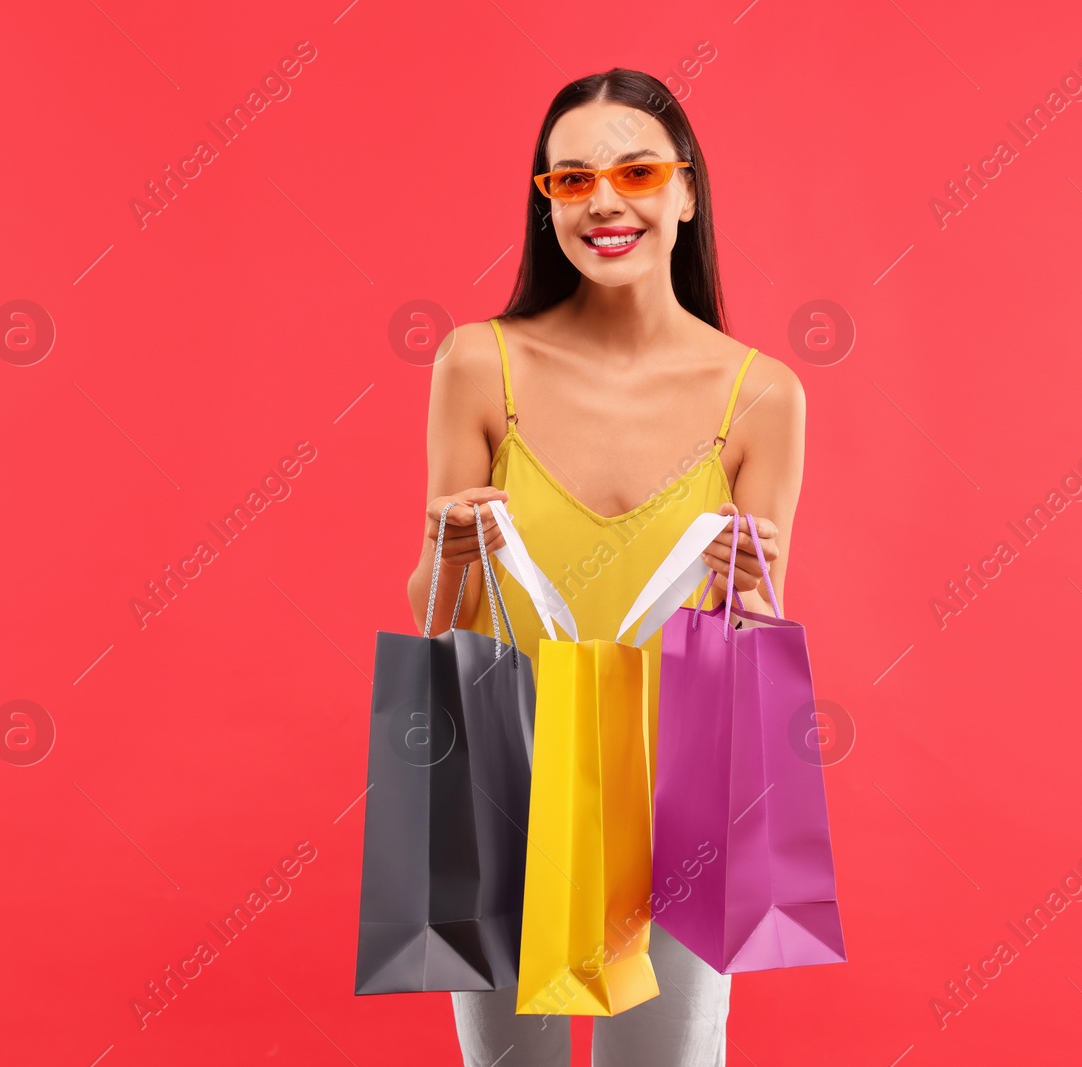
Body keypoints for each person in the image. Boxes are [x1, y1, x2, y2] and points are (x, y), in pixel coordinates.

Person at [407, 67, 805, 1067]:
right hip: (506, 763)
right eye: (571, 181)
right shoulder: (476, 362)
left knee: (669, 1058)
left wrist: (748, 593)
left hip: (680, 777)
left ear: (685, 191)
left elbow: (756, 624)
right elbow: (431, 608)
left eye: (635, 171)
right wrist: (450, 554)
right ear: (546, 207)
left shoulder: (762, 395)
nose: (605, 203)